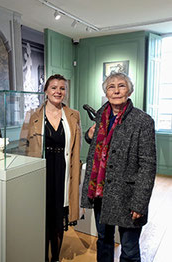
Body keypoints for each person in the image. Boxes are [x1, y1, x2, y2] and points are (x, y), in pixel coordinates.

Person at [81, 72, 156, 262]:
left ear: (129, 90)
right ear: (106, 92)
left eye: (121, 86)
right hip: (101, 192)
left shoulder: (143, 121)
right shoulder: (101, 116)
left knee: (129, 249)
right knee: (104, 241)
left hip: (128, 195)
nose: (116, 90)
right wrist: (89, 136)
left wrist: (140, 202)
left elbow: (147, 164)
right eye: (111, 86)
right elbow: (99, 145)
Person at [22, 74, 82, 262]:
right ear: (46, 90)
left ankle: (55, 257)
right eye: (54, 87)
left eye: (62, 88)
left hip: (63, 172)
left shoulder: (74, 115)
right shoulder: (31, 115)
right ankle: (40, 255)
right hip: (41, 172)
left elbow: (76, 149)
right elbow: (23, 146)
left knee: (58, 218)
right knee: (42, 216)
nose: (58, 91)